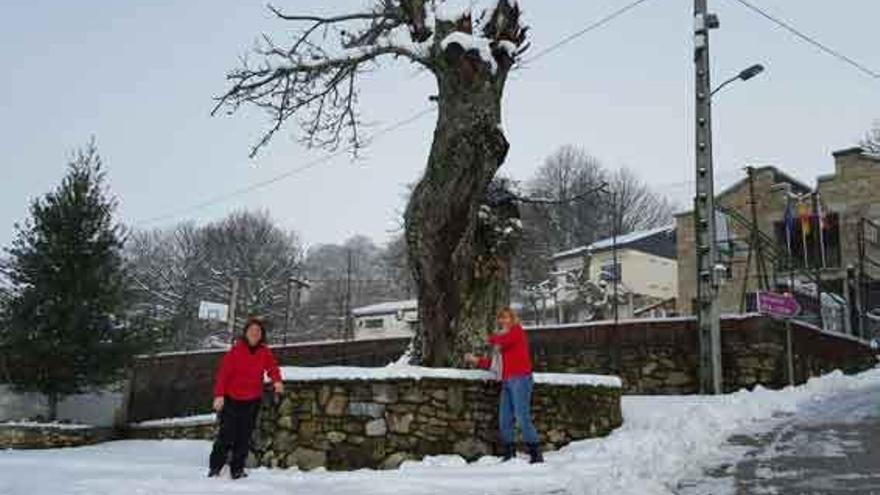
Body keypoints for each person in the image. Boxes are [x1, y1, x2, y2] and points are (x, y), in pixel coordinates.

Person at [465, 307, 543, 464]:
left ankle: (536, 454)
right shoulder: (501, 341)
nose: (503, 321)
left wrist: (491, 338)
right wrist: (476, 360)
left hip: (521, 379)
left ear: (513, 319)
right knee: (504, 419)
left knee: (522, 417)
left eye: (506, 318)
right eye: (501, 318)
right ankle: (509, 453)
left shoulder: (516, 332)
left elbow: (502, 340)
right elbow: (495, 364)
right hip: (506, 380)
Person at [208, 317, 283, 479]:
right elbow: (223, 375)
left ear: (262, 335)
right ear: (246, 333)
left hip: (252, 400)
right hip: (231, 399)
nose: (254, 334)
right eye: (251, 331)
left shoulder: (264, 351)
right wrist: (219, 395)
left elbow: (272, 367)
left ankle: (237, 469)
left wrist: (276, 380)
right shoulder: (235, 351)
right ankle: (215, 467)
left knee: (244, 437)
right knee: (226, 436)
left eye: (258, 331)